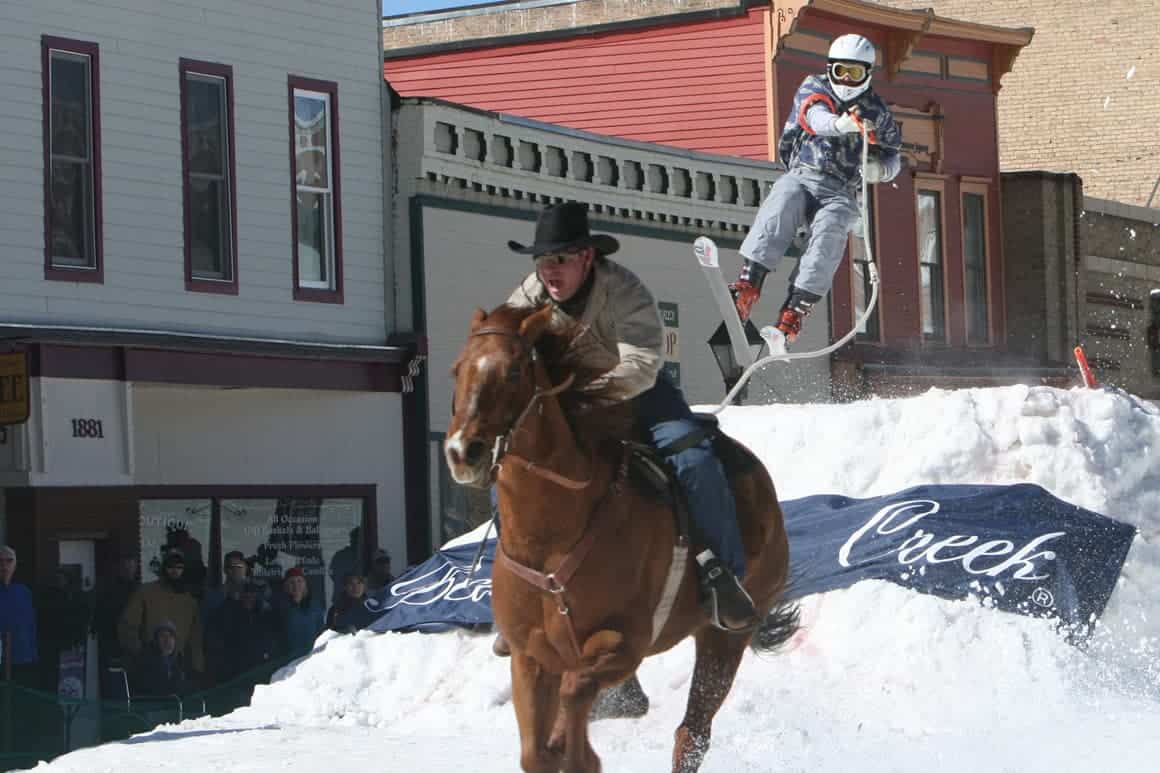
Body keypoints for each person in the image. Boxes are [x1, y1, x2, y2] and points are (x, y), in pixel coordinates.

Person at [503, 201, 759, 635]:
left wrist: (590, 394)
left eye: (560, 259)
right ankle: (519, 591)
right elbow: (507, 344)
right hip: (570, 403)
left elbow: (642, 362)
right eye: (543, 260)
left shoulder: (624, 290)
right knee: (512, 473)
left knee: (694, 460)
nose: (550, 271)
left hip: (640, 396)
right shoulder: (530, 294)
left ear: (587, 257)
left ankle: (722, 574)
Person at [732, 33, 902, 341]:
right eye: (841, 72)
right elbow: (815, 116)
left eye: (855, 74)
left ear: (867, 74)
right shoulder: (815, 86)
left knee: (829, 234)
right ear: (830, 68)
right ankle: (750, 281)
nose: (847, 82)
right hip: (804, 173)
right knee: (781, 204)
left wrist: (881, 169)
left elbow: (894, 154)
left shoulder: (876, 111)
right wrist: (841, 125)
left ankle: (795, 309)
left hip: (840, 189)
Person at [118, 549, 204, 676]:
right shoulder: (145, 592)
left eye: (179, 567)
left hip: (179, 670)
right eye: (170, 566)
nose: (175, 571)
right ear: (164, 568)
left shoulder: (190, 601)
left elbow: (196, 640)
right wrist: (143, 655)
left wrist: (197, 669)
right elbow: (127, 627)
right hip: (147, 669)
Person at [0, 545, 38, 686]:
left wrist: (32, 654)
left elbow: (31, 625)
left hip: (22, 658)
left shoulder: (24, 591)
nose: (4, 566)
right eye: (0, 561)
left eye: (9, 561)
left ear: (15, 564)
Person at [130, 621, 192, 697]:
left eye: (171, 636)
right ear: (156, 641)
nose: (167, 640)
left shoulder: (179, 661)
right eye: (162, 636)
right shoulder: (146, 661)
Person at [275, 567, 324, 659]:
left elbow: (321, 631)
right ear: (286, 586)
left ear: (305, 584)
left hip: (313, 656)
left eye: (299, 581)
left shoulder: (314, 605)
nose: (296, 585)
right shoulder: (279, 607)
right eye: (291, 582)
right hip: (288, 661)